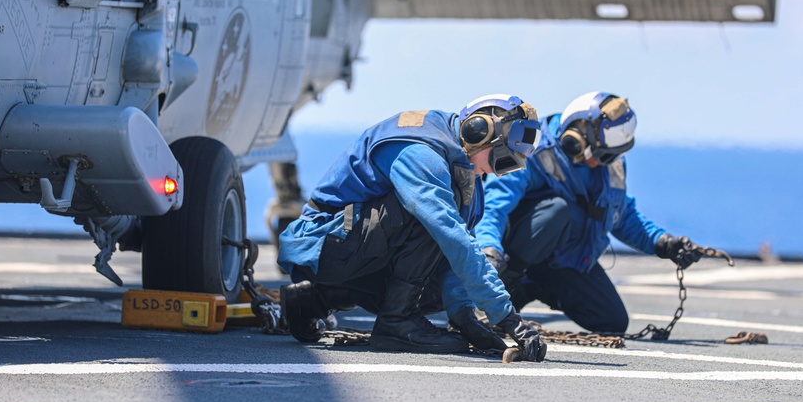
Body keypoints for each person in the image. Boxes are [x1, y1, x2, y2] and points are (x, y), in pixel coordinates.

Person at [276, 95, 548, 360]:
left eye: (509, 167)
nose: (496, 172)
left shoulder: (463, 167)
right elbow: (451, 236)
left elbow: (457, 252)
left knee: (438, 290)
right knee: (433, 218)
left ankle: (314, 300)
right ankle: (398, 321)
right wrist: (509, 319)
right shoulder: (421, 151)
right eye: (502, 160)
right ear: (479, 132)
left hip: (352, 249)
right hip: (319, 244)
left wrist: (464, 316)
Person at [473, 92, 703, 335]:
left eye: (613, 154)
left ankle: (533, 286)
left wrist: (663, 243)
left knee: (612, 321)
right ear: (576, 138)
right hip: (511, 259)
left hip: (564, 261)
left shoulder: (609, 163)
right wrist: (489, 251)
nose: (606, 161)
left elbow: (621, 215)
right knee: (556, 211)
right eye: (603, 153)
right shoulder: (533, 151)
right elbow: (494, 207)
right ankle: (510, 285)